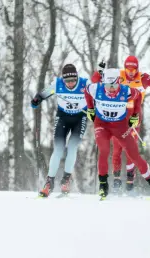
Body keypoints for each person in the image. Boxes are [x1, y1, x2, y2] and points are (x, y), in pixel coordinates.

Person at [84, 68, 150, 200]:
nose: (110, 89)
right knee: (104, 150)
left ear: (119, 82)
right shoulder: (96, 88)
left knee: (134, 156)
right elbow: (86, 91)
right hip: (102, 125)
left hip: (120, 126)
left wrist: (135, 115)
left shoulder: (126, 91)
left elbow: (138, 96)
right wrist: (90, 108)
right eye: (107, 85)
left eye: (113, 85)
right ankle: (103, 184)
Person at [31, 64, 90, 197]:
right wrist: (37, 99)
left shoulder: (85, 84)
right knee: (58, 149)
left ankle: (66, 180)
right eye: (67, 81)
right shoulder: (58, 84)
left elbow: (99, 93)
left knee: (72, 147)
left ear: (77, 78)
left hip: (80, 118)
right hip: (63, 117)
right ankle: (49, 182)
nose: (70, 84)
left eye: (73, 81)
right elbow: (43, 93)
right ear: (63, 80)